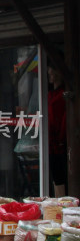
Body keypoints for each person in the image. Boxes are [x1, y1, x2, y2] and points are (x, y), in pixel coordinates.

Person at [48, 66, 67, 197]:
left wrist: (60, 139)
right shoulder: (50, 94)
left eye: (51, 72)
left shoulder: (61, 96)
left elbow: (63, 120)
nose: (49, 75)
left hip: (58, 143)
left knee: (59, 177)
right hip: (50, 141)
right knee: (55, 177)